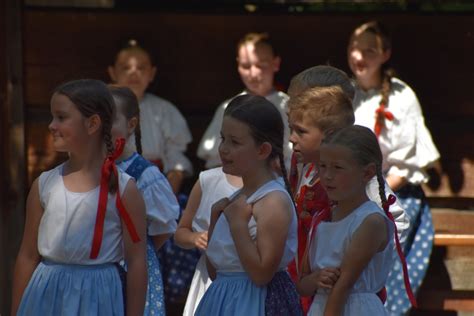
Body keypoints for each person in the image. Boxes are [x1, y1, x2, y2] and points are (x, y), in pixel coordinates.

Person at [11, 79, 147, 316]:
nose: (52, 125)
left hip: (98, 299)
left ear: (92, 123)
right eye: (52, 117)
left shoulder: (125, 190)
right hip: (45, 297)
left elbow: (136, 263)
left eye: (61, 117)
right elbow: (27, 255)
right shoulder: (44, 185)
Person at [286, 67, 409, 312]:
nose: (295, 108)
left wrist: (359, 258)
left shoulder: (355, 171)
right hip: (313, 282)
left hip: (347, 290)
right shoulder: (306, 168)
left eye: (302, 103)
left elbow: (393, 220)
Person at [347, 20, 440, 314]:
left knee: (381, 241)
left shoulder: (401, 96)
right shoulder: (344, 93)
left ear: (385, 54)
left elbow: (402, 167)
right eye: (354, 48)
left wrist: (370, 195)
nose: (359, 57)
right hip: (349, 193)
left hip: (392, 193)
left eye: (369, 50)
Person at [195, 95, 302, 315]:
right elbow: (217, 272)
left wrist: (237, 225)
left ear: (262, 150)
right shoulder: (237, 200)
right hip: (223, 301)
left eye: (234, 142)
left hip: (253, 303)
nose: (223, 149)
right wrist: (216, 220)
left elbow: (262, 274)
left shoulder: (273, 201)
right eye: (223, 138)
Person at [297, 125, 398, 315]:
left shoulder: (370, 221)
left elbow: (342, 287)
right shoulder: (321, 218)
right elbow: (302, 284)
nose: (327, 175)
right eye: (323, 166)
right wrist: (315, 279)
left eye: (338, 168)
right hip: (320, 307)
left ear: (367, 173)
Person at [109, 85, 180, 315]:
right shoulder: (90, 170)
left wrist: (139, 250)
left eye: (110, 118)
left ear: (131, 124)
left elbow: (164, 227)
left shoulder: (144, 174)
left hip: (133, 270)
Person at [108, 39, 193, 194]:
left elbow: (176, 162)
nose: (134, 73)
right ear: (113, 72)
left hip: (154, 187)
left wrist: (166, 198)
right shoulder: (102, 108)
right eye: (126, 67)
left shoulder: (164, 110)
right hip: (110, 184)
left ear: (152, 73)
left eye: (141, 68)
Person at [197, 32, 292, 169]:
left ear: (275, 63)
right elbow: (215, 162)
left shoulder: (289, 106)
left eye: (261, 65)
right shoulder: (228, 108)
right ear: (238, 65)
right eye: (246, 66)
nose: (253, 74)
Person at [175, 168, 242, 316]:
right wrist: (194, 238)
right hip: (208, 277)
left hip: (247, 281)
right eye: (224, 143)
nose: (225, 149)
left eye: (236, 143)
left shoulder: (271, 186)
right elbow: (180, 232)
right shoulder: (208, 180)